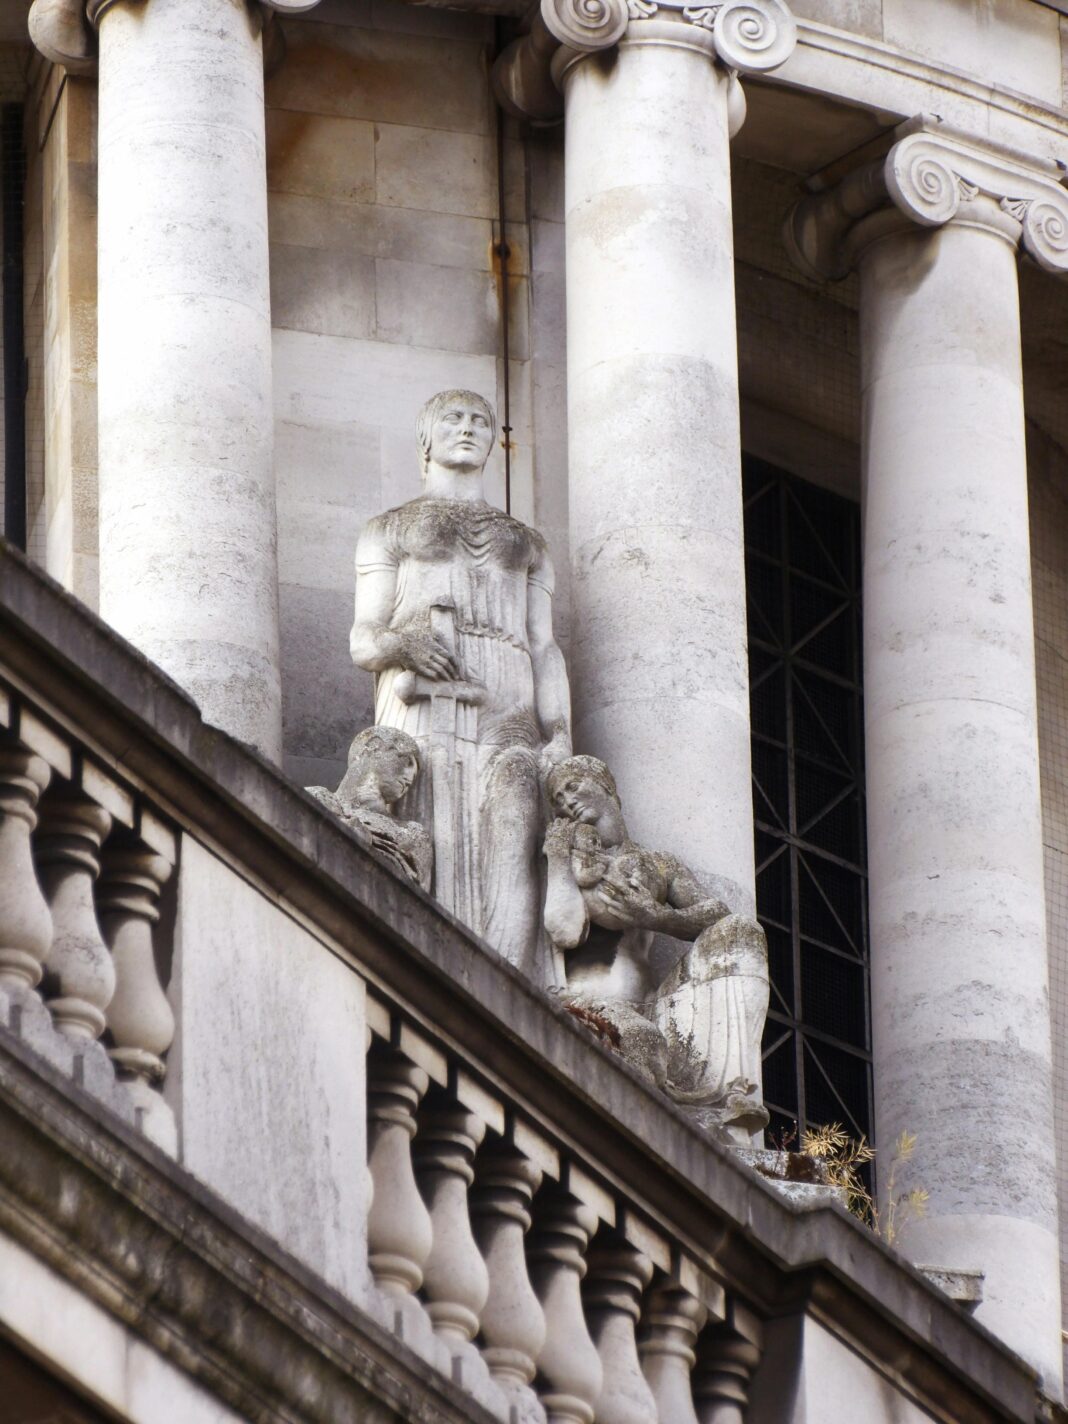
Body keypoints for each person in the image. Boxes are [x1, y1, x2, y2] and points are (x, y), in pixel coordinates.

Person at [350, 389, 571, 977]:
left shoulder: (527, 543)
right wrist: (406, 644)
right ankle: (427, 976)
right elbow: (364, 639)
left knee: (516, 818)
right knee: (431, 825)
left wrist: (561, 731)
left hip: (510, 705)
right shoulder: (388, 528)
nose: (468, 429)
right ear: (426, 437)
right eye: (453, 419)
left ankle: (508, 985)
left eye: (481, 420)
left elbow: (544, 646)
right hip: (422, 700)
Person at [543, 754, 729, 998]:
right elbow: (564, 931)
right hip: (582, 997)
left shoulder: (660, 863)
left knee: (744, 932)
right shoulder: (571, 858)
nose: (567, 801)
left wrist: (660, 918)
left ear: (605, 785)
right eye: (559, 799)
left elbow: (721, 918)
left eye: (573, 786)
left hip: (638, 994)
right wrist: (558, 858)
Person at [306, 726, 432, 892]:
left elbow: (417, 896)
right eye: (407, 762)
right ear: (374, 745)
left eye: (415, 773)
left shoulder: (411, 833)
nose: (410, 777)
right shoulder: (316, 798)